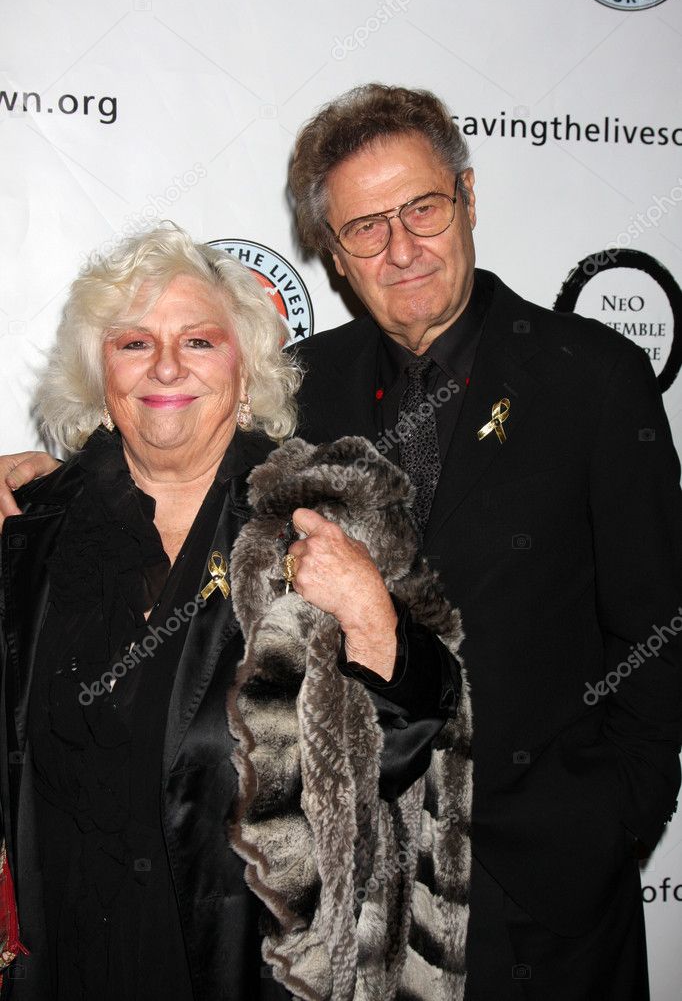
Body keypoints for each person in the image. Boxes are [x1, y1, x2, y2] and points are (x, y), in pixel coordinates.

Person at [3, 85, 682, 999]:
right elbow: (164, 454)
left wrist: (598, 836)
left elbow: (656, 645)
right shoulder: (303, 389)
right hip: (348, 913)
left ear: (469, 200)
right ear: (331, 250)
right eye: (365, 226)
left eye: (423, 209)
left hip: (538, 901)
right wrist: (50, 483)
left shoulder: (593, 378)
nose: (400, 248)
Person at [0, 224, 468, 1000]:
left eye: (199, 341)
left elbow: (414, 754)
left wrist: (373, 622)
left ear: (246, 372)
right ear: (98, 375)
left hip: (252, 970)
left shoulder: (329, 515)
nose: (168, 366)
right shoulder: (32, 532)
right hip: (67, 960)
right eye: (134, 344)